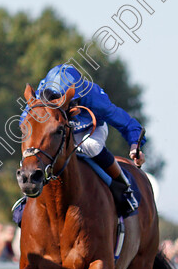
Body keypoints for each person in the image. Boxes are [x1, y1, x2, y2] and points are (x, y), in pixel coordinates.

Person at [21, 64, 146, 215]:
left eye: (70, 102)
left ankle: (124, 187)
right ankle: (25, 199)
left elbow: (126, 123)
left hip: (89, 129)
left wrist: (134, 145)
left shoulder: (94, 97)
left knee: (90, 145)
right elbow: (26, 125)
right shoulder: (41, 96)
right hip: (57, 131)